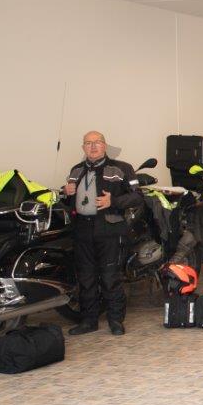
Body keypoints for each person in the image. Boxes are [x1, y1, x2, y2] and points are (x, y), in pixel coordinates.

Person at [62, 131, 142, 336]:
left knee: (110, 277)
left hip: (109, 231)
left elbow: (137, 197)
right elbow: (69, 202)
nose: (93, 146)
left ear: (105, 145)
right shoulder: (76, 171)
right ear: (83, 148)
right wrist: (66, 193)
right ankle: (89, 321)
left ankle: (115, 320)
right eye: (88, 143)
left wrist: (113, 201)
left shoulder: (122, 168)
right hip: (82, 232)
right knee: (86, 279)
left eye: (97, 142)